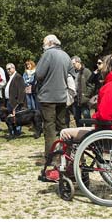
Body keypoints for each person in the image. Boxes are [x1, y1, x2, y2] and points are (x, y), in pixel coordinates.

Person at [59, 53, 112, 142]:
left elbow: (104, 116)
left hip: (105, 132)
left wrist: (94, 116)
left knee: (64, 132)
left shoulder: (110, 87)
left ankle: (73, 156)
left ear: (107, 67)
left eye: (102, 64)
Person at [35, 34, 74, 165]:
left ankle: (50, 158)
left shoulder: (47, 54)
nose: (43, 45)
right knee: (62, 126)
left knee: (49, 127)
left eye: (44, 43)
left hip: (48, 96)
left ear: (50, 43)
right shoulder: (66, 55)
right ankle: (65, 155)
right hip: (62, 97)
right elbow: (71, 75)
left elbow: (39, 74)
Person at [71, 56, 94, 125]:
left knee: (86, 116)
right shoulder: (72, 72)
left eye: (73, 63)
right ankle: (79, 133)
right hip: (75, 98)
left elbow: (91, 84)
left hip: (84, 99)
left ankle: (88, 132)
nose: (72, 65)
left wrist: (86, 95)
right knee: (76, 117)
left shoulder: (86, 71)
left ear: (78, 62)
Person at [5, 63, 26, 137]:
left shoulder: (18, 77)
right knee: (11, 117)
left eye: (9, 69)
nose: (8, 70)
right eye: (7, 69)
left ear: (13, 68)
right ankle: (13, 132)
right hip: (9, 101)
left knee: (17, 117)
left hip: (15, 102)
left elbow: (22, 91)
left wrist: (19, 103)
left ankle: (17, 132)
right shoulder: (11, 77)